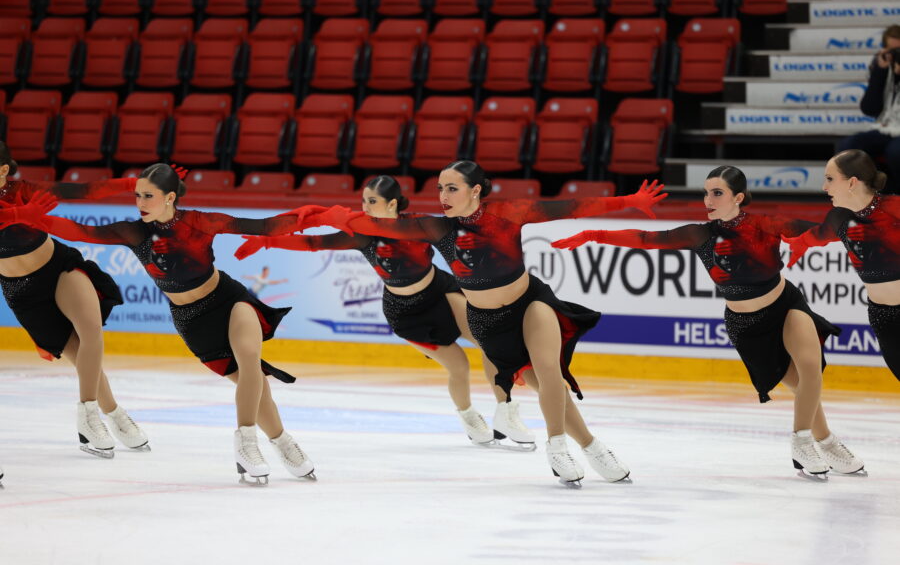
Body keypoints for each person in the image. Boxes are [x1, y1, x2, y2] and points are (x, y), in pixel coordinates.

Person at [274, 160, 666, 487]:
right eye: (440, 189)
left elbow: (574, 206)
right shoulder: (434, 228)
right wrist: (317, 215)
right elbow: (373, 227)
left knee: (550, 373)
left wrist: (630, 200)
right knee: (534, 380)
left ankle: (558, 447)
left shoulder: (509, 212)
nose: (443, 196)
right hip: (487, 319)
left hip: (531, 300)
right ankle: (592, 445)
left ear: (475, 190)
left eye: (452, 188)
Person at [6, 163, 328, 484]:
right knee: (253, 384)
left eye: (148, 196)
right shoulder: (134, 233)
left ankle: (248, 445)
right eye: (137, 196)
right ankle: (282, 439)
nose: (140, 203)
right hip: (192, 320)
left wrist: (308, 219)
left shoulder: (199, 222)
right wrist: (26, 216)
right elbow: (78, 231)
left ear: (170, 197)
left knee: (251, 367)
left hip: (228, 299)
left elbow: (263, 225)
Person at [552, 165, 865, 479]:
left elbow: (822, 230)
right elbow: (646, 238)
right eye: (706, 192)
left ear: (738, 197)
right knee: (800, 385)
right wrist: (594, 234)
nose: (708, 199)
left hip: (786, 304)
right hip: (747, 325)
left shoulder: (765, 225)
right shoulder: (699, 235)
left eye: (717, 193)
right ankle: (826, 440)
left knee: (811, 369)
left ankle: (802, 441)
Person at [237, 175, 536, 449]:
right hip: (407, 312)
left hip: (440, 290)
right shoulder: (362, 234)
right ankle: (469, 416)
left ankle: (506, 410)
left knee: (488, 341)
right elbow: (315, 242)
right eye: (363, 201)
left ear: (392, 204)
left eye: (372, 202)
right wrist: (268, 241)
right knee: (458, 367)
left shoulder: (419, 224)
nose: (365, 208)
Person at [0, 141, 149, 458]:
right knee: (79, 354)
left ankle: (88, 414)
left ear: (2, 171)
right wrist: (19, 214)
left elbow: (83, 190)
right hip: (24, 294)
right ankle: (116, 413)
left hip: (59, 267)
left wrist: (132, 183)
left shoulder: (23, 189)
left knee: (91, 330)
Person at [783, 149, 900, 382]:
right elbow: (818, 235)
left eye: (829, 179)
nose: (824, 188)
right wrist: (799, 243)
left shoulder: (895, 209)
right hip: (883, 316)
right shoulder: (840, 218)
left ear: (852, 182)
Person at [838, 24, 900, 193]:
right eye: (891, 51)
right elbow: (869, 108)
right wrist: (880, 73)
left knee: (895, 151)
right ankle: (870, 195)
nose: (895, 56)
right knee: (848, 147)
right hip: (887, 127)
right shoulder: (883, 68)